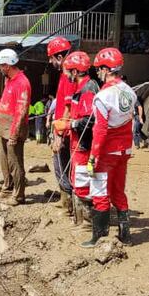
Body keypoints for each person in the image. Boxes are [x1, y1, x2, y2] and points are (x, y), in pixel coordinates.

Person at [83, 48, 137, 248]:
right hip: (125, 150)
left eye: (99, 69)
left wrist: (93, 156)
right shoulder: (130, 92)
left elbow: (101, 129)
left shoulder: (103, 96)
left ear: (106, 69)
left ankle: (99, 237)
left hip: (107, 151)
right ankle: (126, 235)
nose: (97, 72)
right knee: (118, 191)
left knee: (100, 191)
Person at [52, 52, 99, 221]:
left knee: (82, 183)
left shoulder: (88, 89)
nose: (66, 75)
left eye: (68, 71)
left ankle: (86, 222)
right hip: (77, 142)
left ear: (75, 72)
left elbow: (89, 120)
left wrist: (68, 125)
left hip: (84, 144)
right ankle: (79, 219)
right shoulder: (81, 88)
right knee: (77, 180)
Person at [0, 49, 31, 206]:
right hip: (3, 125)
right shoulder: (9, 80)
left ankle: (19, 195)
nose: (0, 69)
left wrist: (14, 134)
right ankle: (8, 187)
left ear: (7, 65)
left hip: (14, 126)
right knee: (4, 160)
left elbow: (21, 112)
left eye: (1, 66)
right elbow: (4, 101)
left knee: (15, 162)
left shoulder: (22, 83)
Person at [46, 36, 76, 216]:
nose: (50, 62)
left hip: (64, 129)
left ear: (59, 56)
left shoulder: (68, 76)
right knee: (60, 164)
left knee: (62, 164)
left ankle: (69, 204)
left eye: (51, 58)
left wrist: (59, 133)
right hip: (61, 126)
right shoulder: (65, 74)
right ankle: (64, 198)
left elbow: (68, 107)